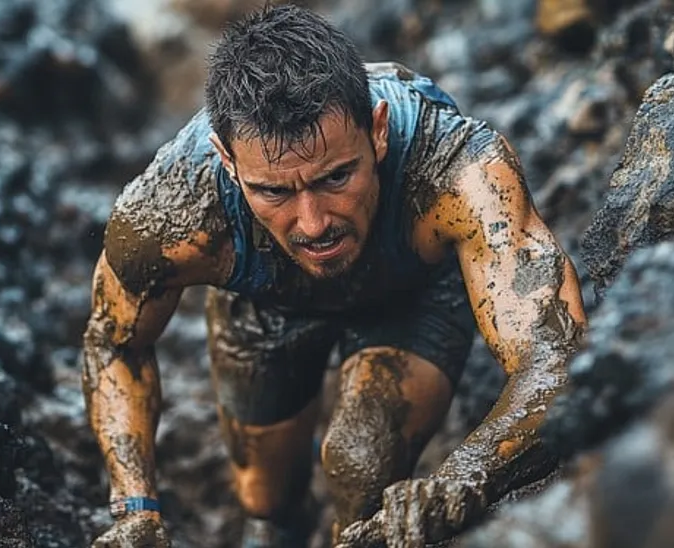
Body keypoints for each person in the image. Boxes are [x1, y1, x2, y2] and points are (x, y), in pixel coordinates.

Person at [82, 5, 586, 548]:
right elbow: (114, 344)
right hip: (267, 299)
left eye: (337, 176)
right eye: (274, 192)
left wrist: (463, 477)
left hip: (408, 294)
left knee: (361, 460)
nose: (314, 223)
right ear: (227, 162)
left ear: (377, 132)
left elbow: (556, 358)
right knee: (263, 499)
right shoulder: (170, 214)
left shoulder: (459, 174)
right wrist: (135, 510)